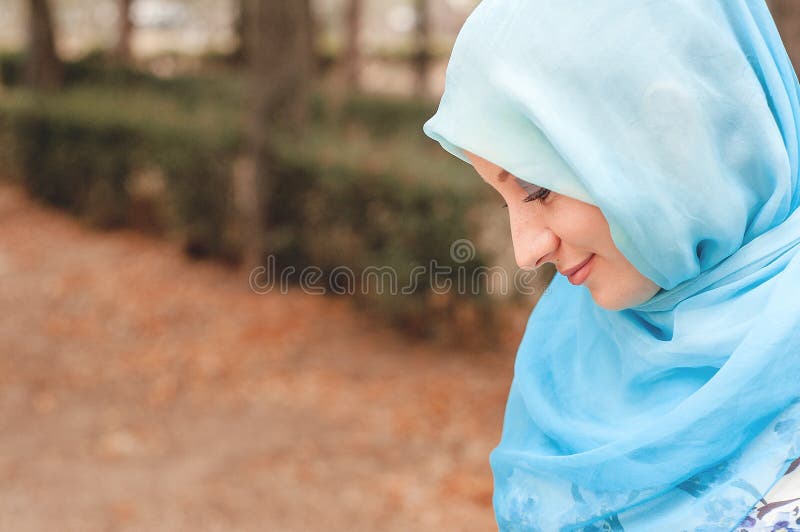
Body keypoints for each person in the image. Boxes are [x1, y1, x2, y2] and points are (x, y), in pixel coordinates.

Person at [423, 1, 800, 530]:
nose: (526, 251)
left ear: (672, 132)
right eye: (503, 199)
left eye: (537, 189)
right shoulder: (571, 347)